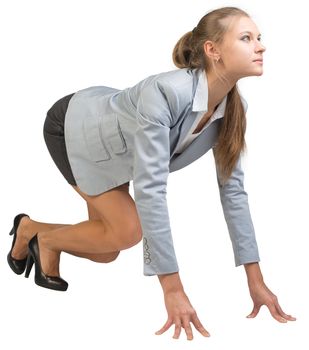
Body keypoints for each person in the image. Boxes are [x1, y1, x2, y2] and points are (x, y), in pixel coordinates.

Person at [7, 6, 296, 340]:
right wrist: (172, 287)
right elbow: (151, 188)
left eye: (259, 38)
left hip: (120, 151)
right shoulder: (166, 92)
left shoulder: (234, 110)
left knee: (105, 251)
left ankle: (33, 231)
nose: (261, 46)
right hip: (75, 128)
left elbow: (233, 193)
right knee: (127, 231)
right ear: (212, 50)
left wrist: (255, 280)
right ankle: (45, 240)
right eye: (247, 38)